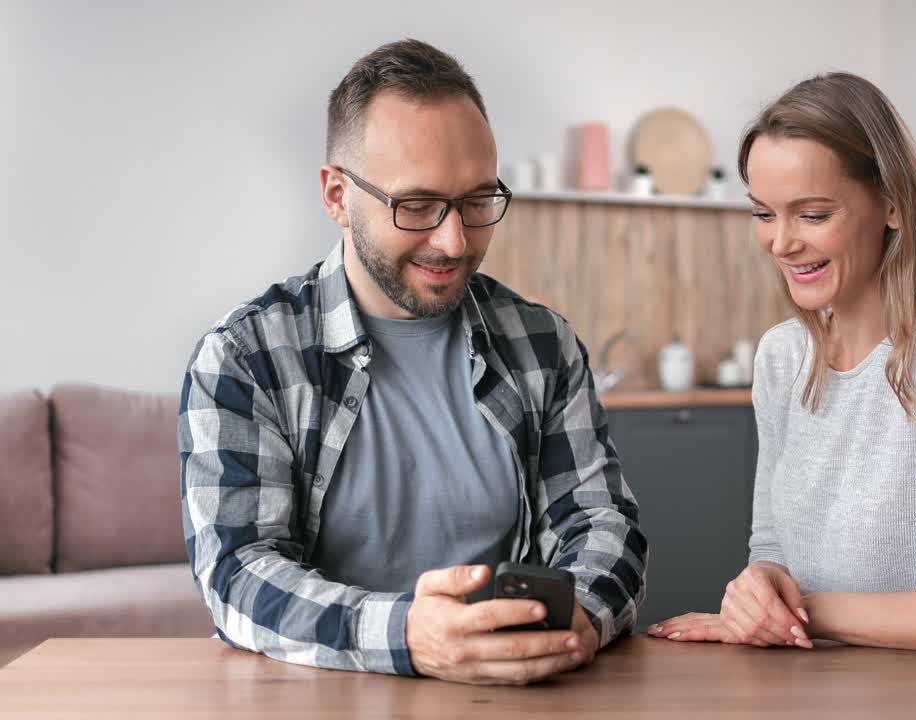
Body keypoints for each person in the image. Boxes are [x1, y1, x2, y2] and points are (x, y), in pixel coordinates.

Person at [178, 39, 646, 685]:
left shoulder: (544, 345)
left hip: (515, 692)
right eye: (417, 205)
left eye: (478, 201)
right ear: (337, 195)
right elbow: (237, 574)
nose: (454, 241)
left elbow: (599, 520)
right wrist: (407, 635)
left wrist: (581, 618)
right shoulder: (245, 358)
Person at [648, 72, 916, 656]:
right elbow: (773, 546)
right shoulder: (781, 357)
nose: (781, 243)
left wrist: (808, 612)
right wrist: (761, 591)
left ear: (892, 205)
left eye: (813, 215)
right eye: (764, 214)